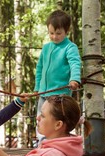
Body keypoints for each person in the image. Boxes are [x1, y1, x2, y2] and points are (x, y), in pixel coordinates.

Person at [34, 10, 81, 144]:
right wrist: (37, 87)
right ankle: (42, 143)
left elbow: (75, 64)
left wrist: (74, 79)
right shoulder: (46, 48)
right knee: (40, 118)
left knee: (61, 122)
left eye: (58, 33)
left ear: (67, 31)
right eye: (51, 33)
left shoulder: (70, 47)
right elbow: (40, 68)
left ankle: (63, 144)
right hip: (44, 93)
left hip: (60, 96)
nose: (54, 36)